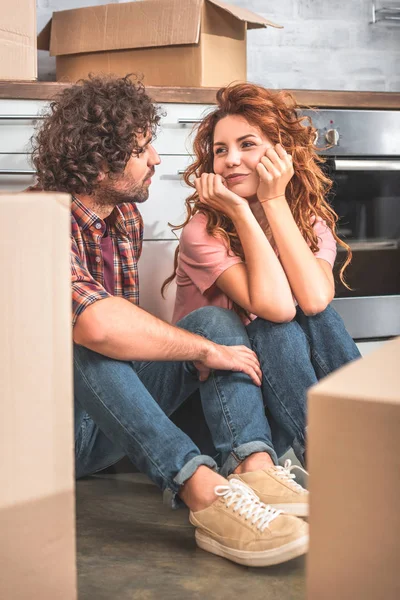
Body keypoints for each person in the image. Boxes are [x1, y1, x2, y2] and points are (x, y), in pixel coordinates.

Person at [30, 75, 309, 568]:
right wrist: (200, 353)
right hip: (47, 444)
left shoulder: (124, 219)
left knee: (211, 323)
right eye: (142, 149)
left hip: (108, 425)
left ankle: (253, 467)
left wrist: (202, 344)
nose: (157, 158)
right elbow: (98, 327)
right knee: (86, 338)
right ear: (99, 163)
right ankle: (204, 495)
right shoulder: (36, 223)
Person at [163, 82, 361, 466]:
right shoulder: (202, 232)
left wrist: (274, 203)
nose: (231, 159)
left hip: (278, 405)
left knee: (316, 314)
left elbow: (316, 301)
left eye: (247, 144)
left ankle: (370, 438)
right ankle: (339, 464)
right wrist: (241, 211)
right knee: (276, 325)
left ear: (282, 155)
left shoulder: (309, 222)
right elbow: (276, 309)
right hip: (216, 412)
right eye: (221, 151)